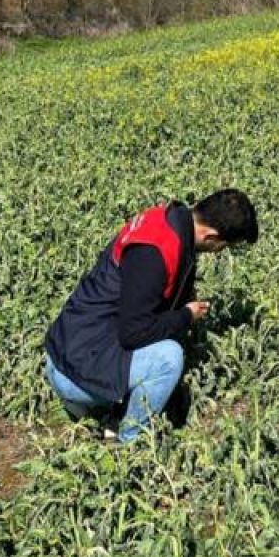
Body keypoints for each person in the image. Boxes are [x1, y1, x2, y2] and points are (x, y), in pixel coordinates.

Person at [45, 189, 258, 444]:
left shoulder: (167, 219)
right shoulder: (155, 253)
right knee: (169, 358)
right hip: (73, 372)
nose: (219, 253)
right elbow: (134, 332)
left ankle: (96, 405)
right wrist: (185, 316)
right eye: (222, 247)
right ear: (210, 235)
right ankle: (127, 441)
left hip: (74, 346)